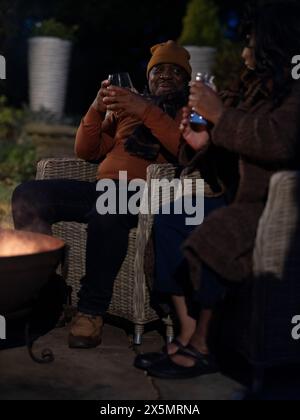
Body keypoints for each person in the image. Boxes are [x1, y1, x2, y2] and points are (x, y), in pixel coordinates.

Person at [135, 1, 300, 379]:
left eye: (251, 43)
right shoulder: (260, 86)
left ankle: (204, 346)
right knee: (171, 222)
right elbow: (237, 142)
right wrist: (203, 143)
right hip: (237, 194)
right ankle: (189, 329)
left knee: (217, 232)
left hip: (276, 205)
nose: (244, 53)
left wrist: (221, 116)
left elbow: (280, 140)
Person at [12, 40, 193, 349]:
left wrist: (146, 110)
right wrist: (97, 108)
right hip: (102, 189)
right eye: (158, 70)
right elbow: (87, 150)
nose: (164, 76)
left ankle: (91, 310)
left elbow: (184, 150)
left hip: (150, 194)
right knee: (29, 194)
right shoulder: (128, 109)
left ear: (186, 79)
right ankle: (44, 293)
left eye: (174, 71)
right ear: (147, 77)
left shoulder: (188, 110)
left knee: (108, 206)